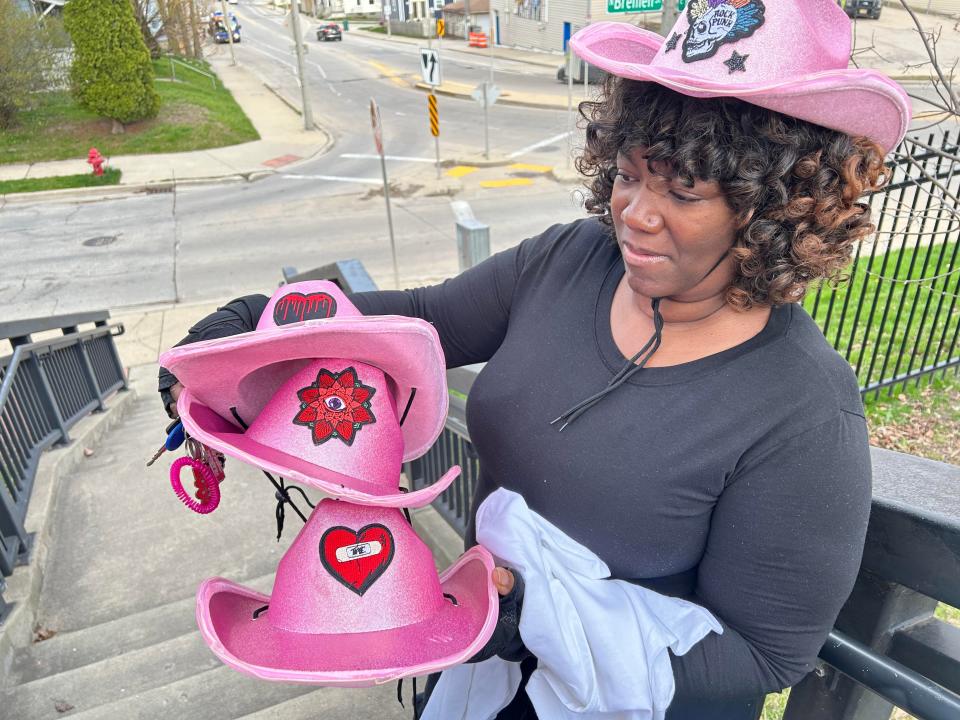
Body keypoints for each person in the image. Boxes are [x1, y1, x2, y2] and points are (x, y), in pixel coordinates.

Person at [159, 2, 910, 717]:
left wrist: (536, 619)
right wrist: (263, 327)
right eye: (629, 173)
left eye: (681, 191)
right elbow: (424, 323)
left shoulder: (802, 410)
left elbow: (764, 656)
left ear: (774, 208)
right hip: (478, 666)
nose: (634, 214)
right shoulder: (570, 260)